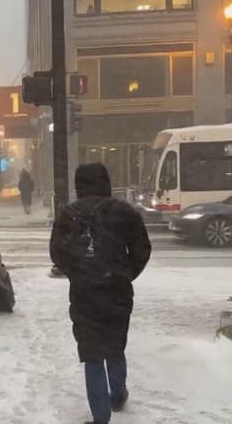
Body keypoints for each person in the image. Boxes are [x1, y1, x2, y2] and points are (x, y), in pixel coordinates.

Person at [49, 163, 151, 424]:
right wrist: (126, 273)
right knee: (116, 344)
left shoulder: (67, 215)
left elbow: (57, 253)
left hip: (84, 293)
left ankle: (100, 415)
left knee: (92, 352)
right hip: (118, 291)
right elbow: (142, 249)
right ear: (106, 180)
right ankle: (118, 394)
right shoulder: (125, 212)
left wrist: (78, 273)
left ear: (78, 184)